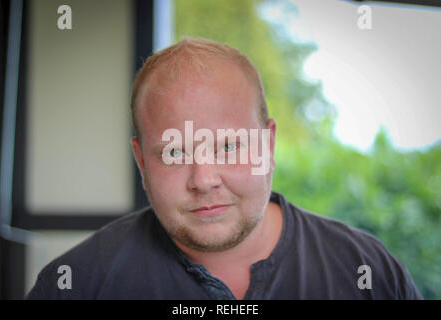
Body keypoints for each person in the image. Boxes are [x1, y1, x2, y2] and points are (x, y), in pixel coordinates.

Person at [26, 37, 423, 300]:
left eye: (230, 146)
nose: (204, 180)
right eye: (175, 153)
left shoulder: (368, 273)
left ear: (267, 145)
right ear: (141, 161)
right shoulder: (76, 284)